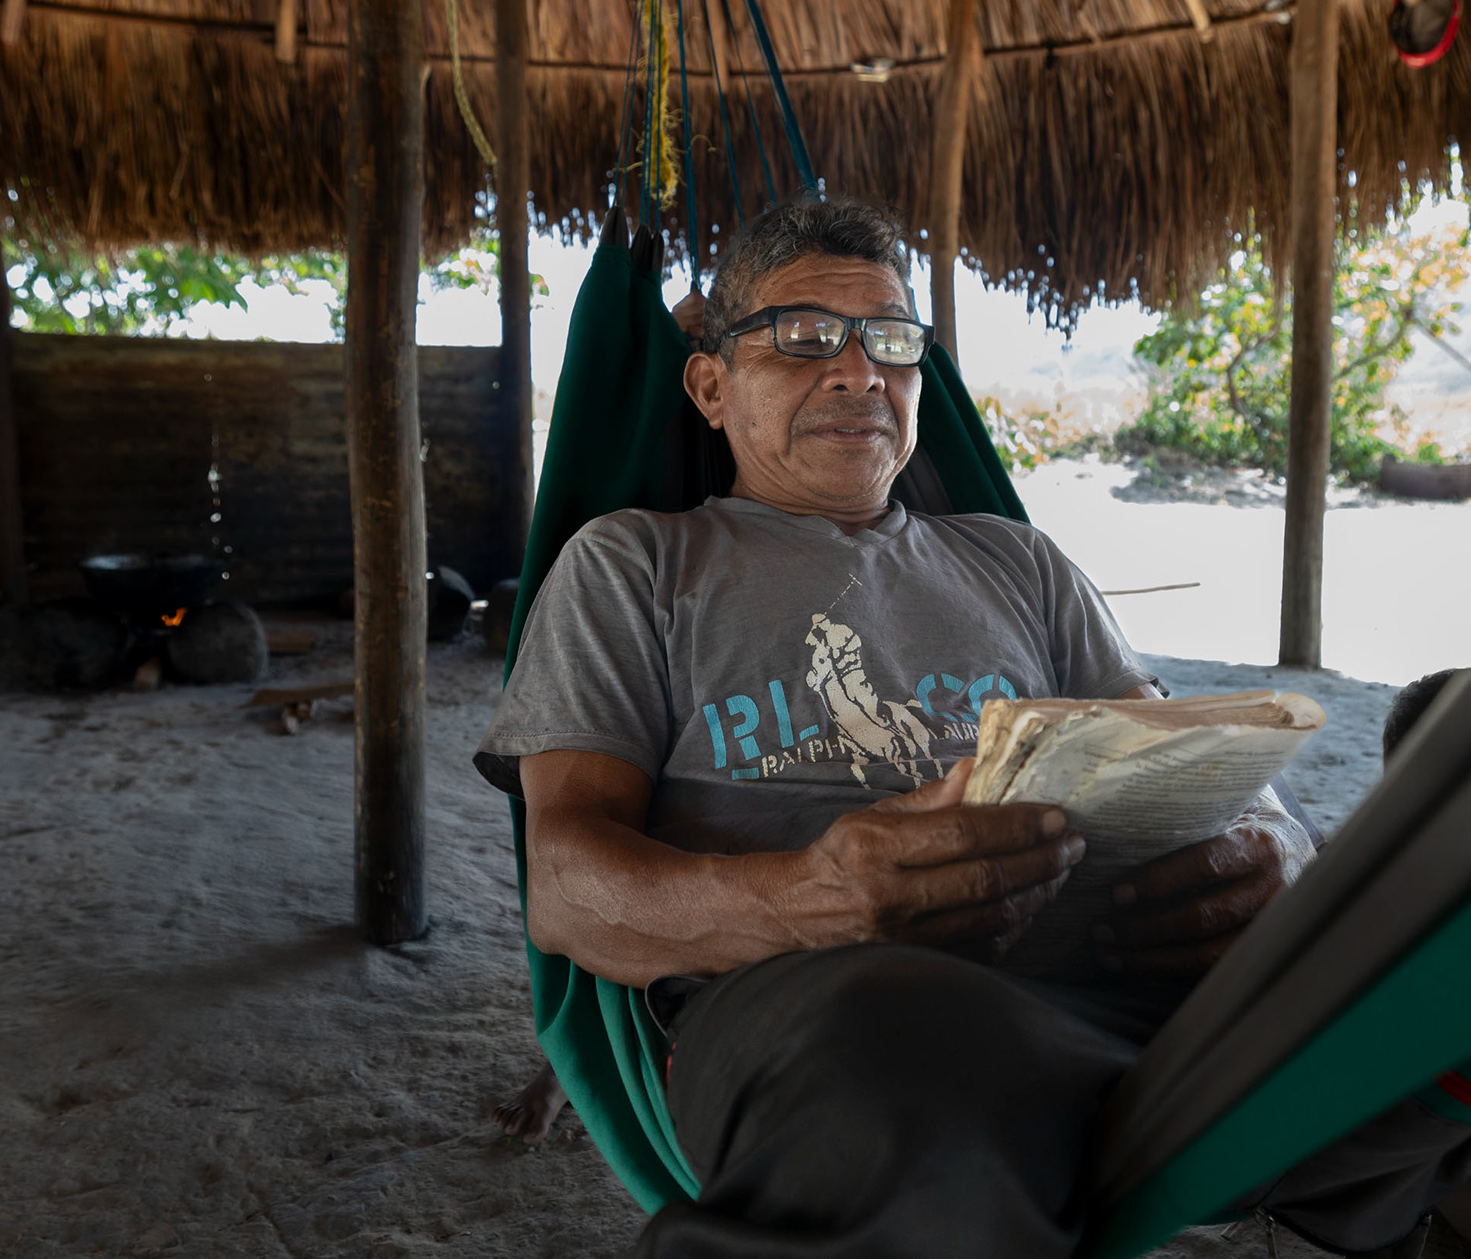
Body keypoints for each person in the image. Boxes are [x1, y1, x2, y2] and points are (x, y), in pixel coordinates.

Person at [473, 197, 1335, 1257]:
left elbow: (1184, 753)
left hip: (1110, 979)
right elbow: (567, 888)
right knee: (902, 1066)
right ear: (709, 386)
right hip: (825, 1002)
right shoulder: (635, 564)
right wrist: (811, 899)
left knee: (1445, 933)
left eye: (890, 340)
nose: (857, 371)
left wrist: (1276, 842)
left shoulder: (1017, 559)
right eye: (802, 337)